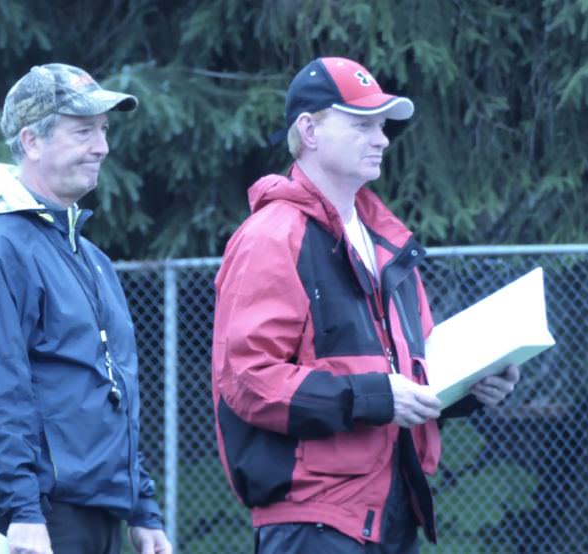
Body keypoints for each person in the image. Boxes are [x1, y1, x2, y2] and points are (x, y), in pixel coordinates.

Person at [211, 56, 522, 553]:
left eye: (382, 125)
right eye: (361, 124)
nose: (381, 139)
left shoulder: (388, 242)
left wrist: (472, 388)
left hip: (392, 513)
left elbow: (408, 377)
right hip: (314, 521)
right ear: (308, 131)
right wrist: (374, 397)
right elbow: (248, 380)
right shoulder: (272, 236)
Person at [0, 63, 172, 554]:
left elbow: (111, 392)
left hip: (94, 509)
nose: (102, 147)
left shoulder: (91, 258)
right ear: (32, 141)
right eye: (83, 131)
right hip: (32, 517)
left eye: (103, 130)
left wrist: (141, 508)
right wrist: (20, 511)